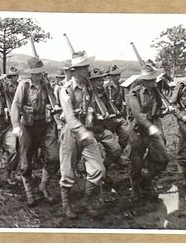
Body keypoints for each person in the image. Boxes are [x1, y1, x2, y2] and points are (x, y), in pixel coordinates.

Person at [58, 51, 106, 218]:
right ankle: (66, 205)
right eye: (84, 68)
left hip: (87, 130)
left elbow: (90, 106)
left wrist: (94, 116)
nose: (87, 70)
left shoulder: (88, 87)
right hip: (71, 133)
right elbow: (69, 116)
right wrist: (82, 131)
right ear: (76, 70)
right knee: (68, 171)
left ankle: (87, 200)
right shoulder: (65, 90)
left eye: (87, 67)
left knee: (98, 169)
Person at [11, 57, 59, 207]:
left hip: (45, 125)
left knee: (53, 157)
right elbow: (15, 106)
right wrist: (16, 125)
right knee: (26, 163)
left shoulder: (47, 85)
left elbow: (53, 102)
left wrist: (55, 109)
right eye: (35, 72)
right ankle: (29, 192)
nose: (38, 75)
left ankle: (43, 186)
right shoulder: (23, 86)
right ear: (30, 73)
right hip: (28, 127)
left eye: (40, 72)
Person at [127, 64, 169, 200]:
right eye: (150, 80)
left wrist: (165, 111)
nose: (153, 82)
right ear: (143, 80)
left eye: (154, 79)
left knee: (163, 159)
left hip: (152, 129)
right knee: (136, 161)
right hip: (138, 130)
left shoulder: (156, 91)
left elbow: (157, 111)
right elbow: (138, 114)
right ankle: (135, 188)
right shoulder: (134, 93)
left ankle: (146, 181)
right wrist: (149, 126)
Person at [89, 68, 122, 170]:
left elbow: (110, 108)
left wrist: (113, 114)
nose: (101, 83)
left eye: (102, 80)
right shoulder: (87, 94)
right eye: (99, 81)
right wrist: (95, 116)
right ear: (92, 82)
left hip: (102, 129)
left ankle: (104, 167)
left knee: (116, 150)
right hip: (89, 130)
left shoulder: (104, 93)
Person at [105, 64, 128, 150]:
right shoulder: (106, 88)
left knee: (126, 133)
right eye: (114, 76)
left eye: (118, 75)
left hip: (120, 116)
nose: (117, 77)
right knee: (110, 140)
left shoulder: (121, 87)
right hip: (109, 117)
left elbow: (124, 101)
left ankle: (120, 152)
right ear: (109, 77)